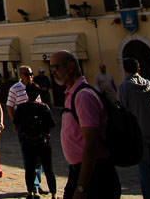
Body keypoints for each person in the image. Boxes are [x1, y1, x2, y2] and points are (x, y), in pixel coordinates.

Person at [50, 50, 120, 199]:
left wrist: (81, 187)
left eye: (55, 68)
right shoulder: (72, 93)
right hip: (81, 170)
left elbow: (91, 142)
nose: (53, 72)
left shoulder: (83, 96)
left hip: (94, 173)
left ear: (70, 66)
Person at [117, 58, 150, 199]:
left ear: (125, 70)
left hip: (139, 134)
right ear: (139, 69)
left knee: (145, 170)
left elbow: (122, 112)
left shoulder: (124, 87)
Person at [15, 84, 56, 199]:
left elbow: (17, 123)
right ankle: (53, 193)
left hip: (28, 141)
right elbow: (52, 124)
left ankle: (31, 191)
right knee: (48, 169)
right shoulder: (43, 107)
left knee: (30, 168)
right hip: (42, 141)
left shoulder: (21, 107)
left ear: (26, 93)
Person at [7, 65, 43, 193]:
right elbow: (9, 106)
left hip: (37, 126)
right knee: (28, 156)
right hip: (24, 126)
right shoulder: (15, 89)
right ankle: (33, 186)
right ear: (20, 75)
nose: (30, 77)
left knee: (38, 156)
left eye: (31, 74)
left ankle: (37, 183)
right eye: (27, 74)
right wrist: (15, 122)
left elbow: (40, 104)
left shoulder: (34, 87)